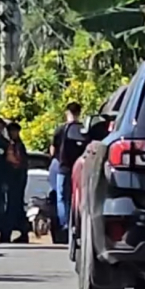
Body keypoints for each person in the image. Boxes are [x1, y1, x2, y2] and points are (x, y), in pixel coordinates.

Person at [51, 102, 86, 239]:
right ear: (79, 113)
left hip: (63, 168)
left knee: (61, 197)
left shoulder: (61, 130)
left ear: (67, 113)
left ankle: (65, 224)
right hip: (79, 168)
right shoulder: (82, 129)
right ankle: (77, 223)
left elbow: (53, 149)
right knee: (77, 197)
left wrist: (56, 159)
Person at [2, 122, 29, 243]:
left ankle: (22, 233)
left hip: (18, 179)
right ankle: (6, 234)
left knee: (16, 206)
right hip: (10, 178)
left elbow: (21, 163)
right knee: (10, 207)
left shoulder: (19, 145)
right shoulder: (8, 145)